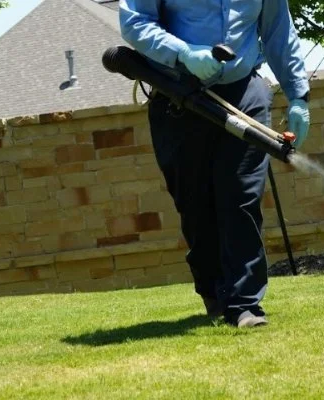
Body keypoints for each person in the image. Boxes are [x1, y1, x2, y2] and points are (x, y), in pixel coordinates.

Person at [119, 0, 311, 328]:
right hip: (178, 94)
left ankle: (244, 304)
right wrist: (183, 52)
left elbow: (279, 32)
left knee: (241, 197)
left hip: (245, 95)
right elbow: (135, 22)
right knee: (195, 205)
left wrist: (298, 97)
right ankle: (213, 291)